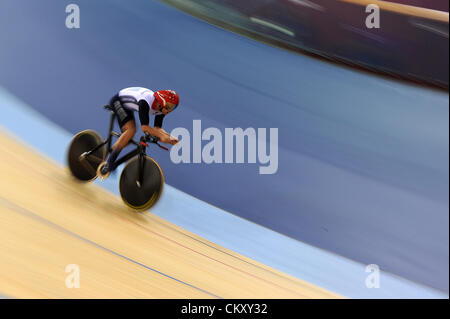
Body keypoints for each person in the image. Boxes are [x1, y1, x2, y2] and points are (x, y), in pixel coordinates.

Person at [99, 87, 179, 177]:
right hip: (118, 101)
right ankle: (109, 162)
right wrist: (162, 136)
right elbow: (145, 128)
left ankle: (112, 151)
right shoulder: (145, 102)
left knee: (128, 139)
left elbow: (157, 128)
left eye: (173, 107)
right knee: (131, 130)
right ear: (162, 101)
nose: (170, 110)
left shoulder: (161, 109)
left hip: (128, 106)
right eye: (170, 106)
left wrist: (169, 137)